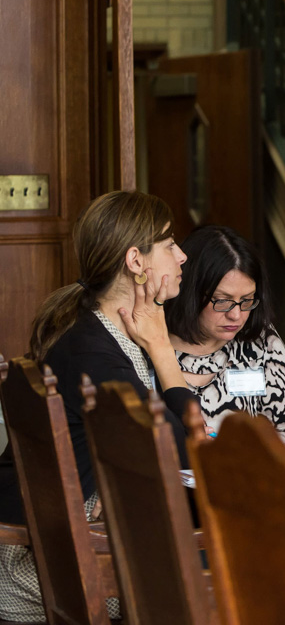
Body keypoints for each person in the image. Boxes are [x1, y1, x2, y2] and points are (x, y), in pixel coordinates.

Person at [0, 191, 195, 621]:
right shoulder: (96, 355)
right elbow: (185, 452)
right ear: (135, 261)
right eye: (169, 245)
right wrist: (164, 352)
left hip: (70, 544)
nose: (182, 256)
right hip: (64, 564)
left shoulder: (101, 332)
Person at [166, 226, 285, 447]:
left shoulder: (262, 341)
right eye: (222, 300)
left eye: (247, 300)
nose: (236, 315)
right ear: (191, 292)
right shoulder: (154, 342)